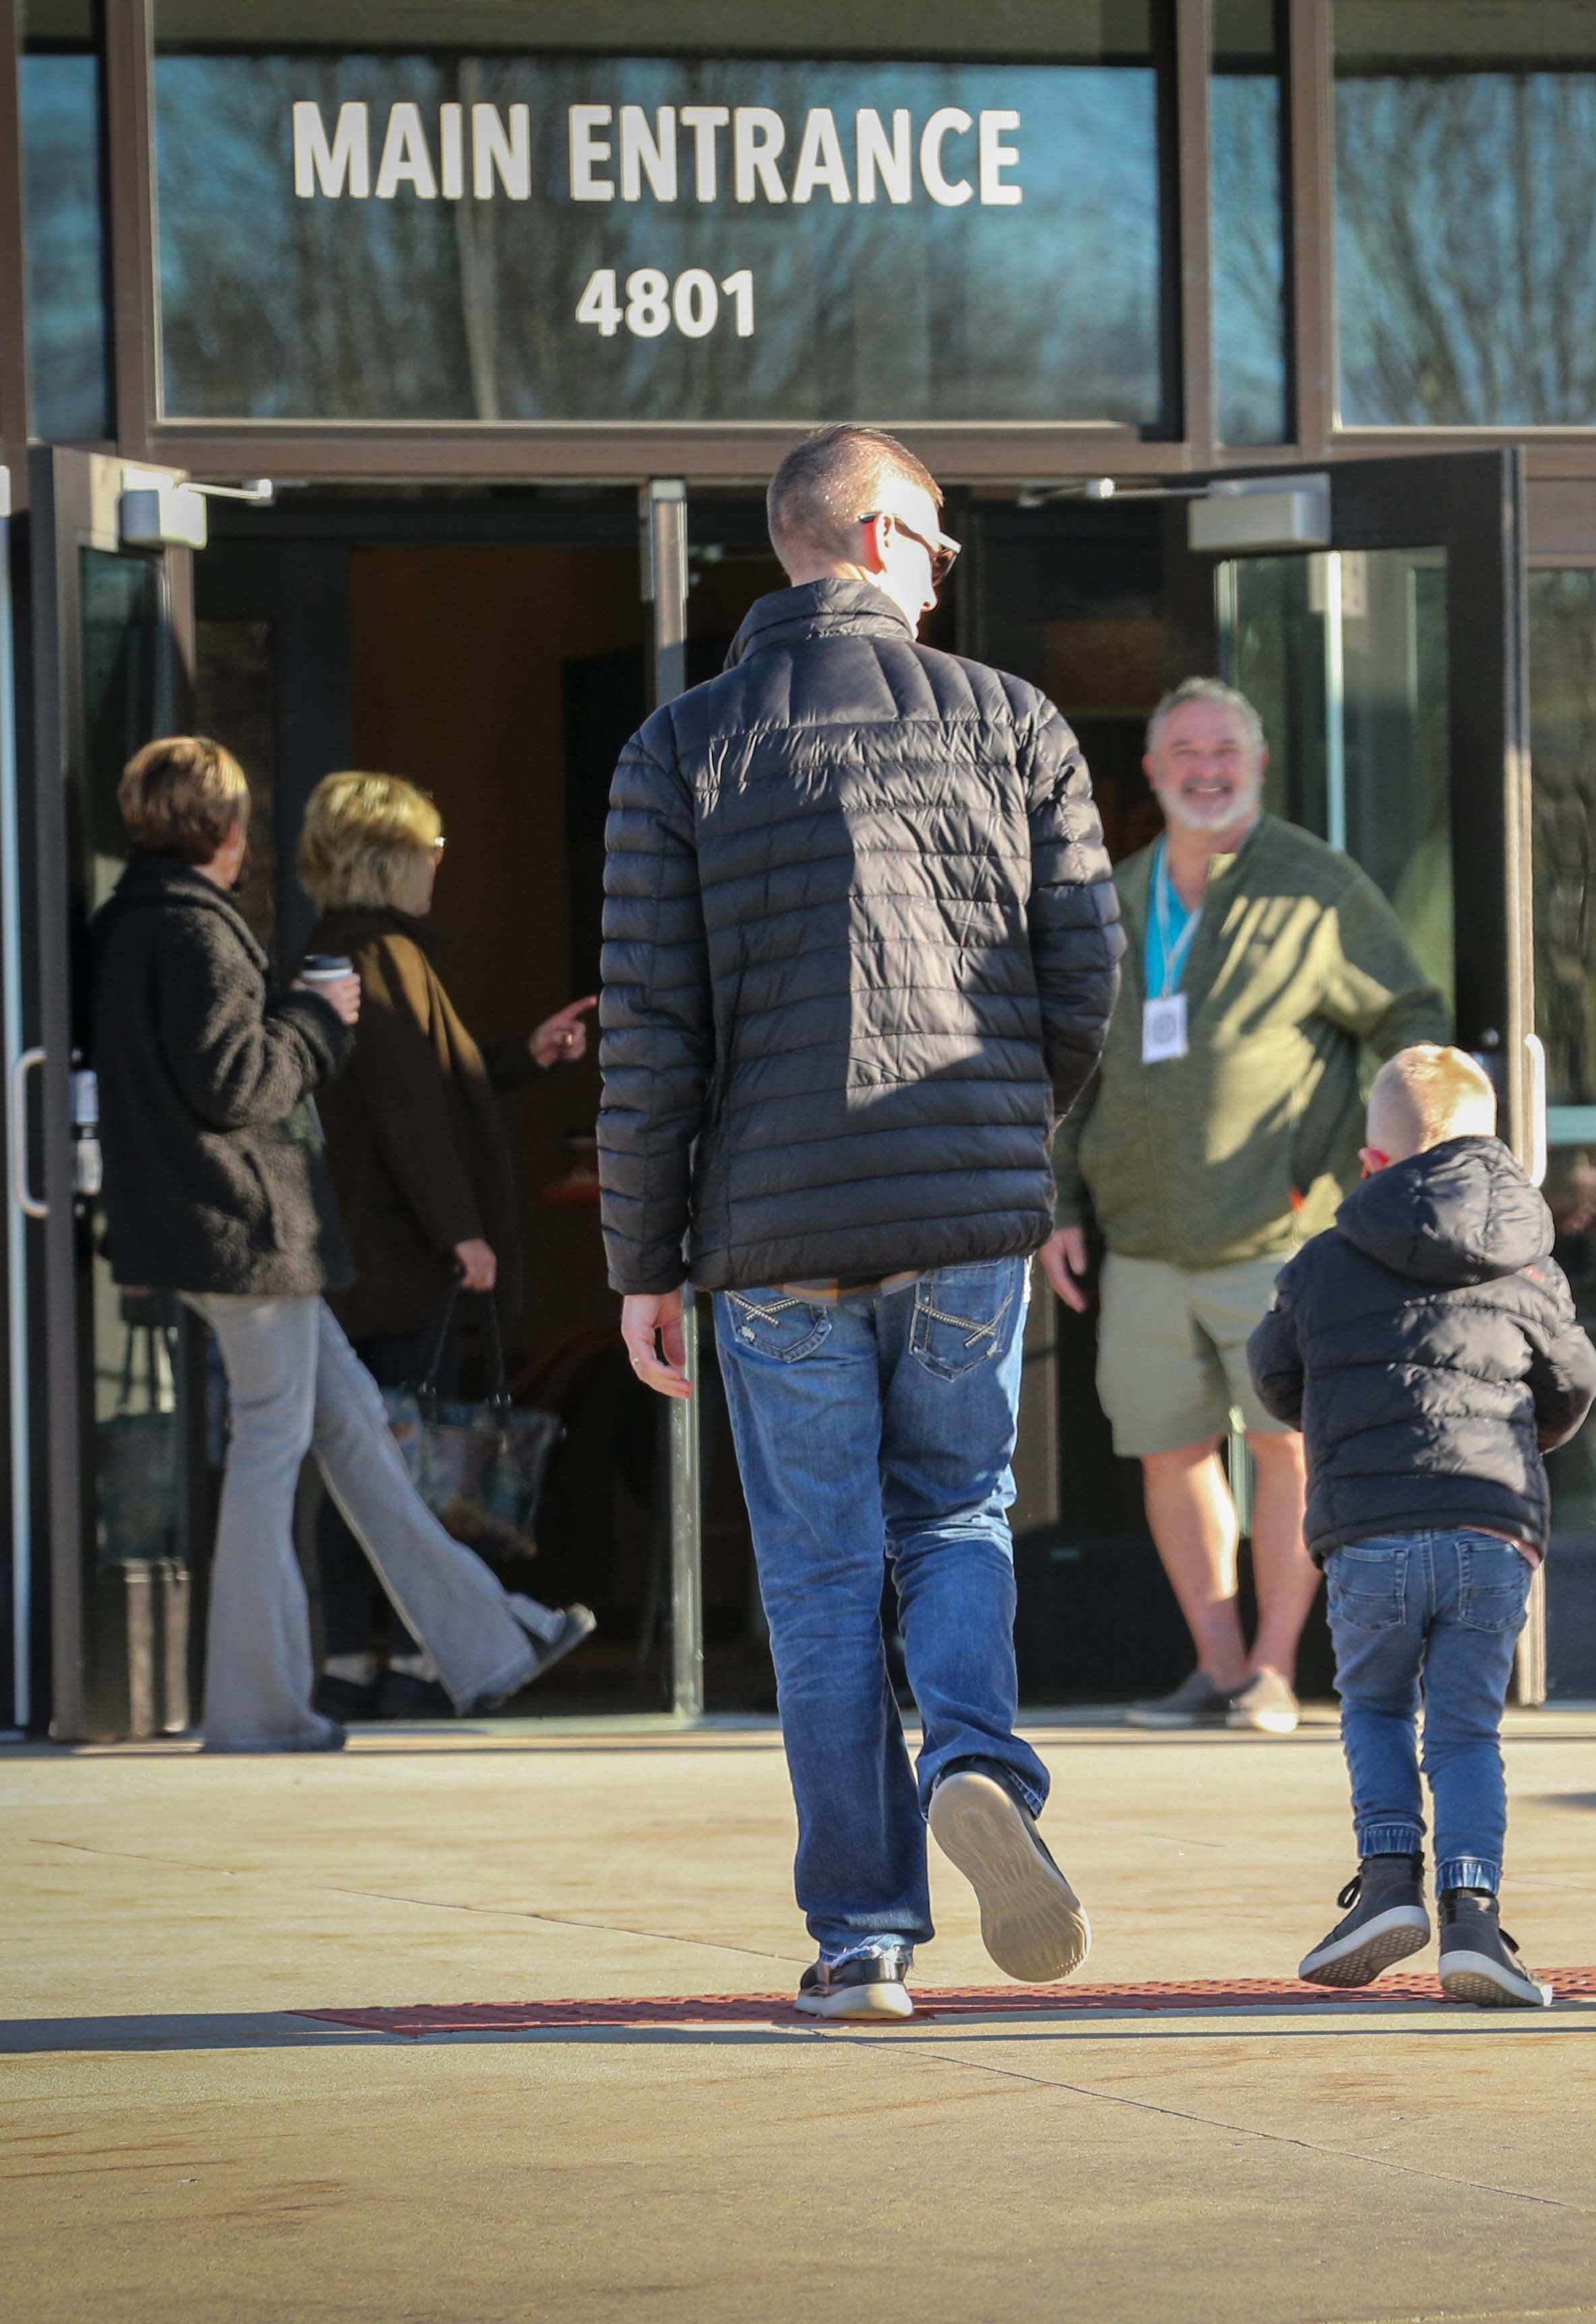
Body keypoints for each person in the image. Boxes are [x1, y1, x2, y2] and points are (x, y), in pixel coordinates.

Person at [597, 424, 1123, 2022]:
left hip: (766, 1231)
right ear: (882, 534)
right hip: (963, 1207)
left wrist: (639, 1257)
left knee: (820, 1578)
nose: (947, 573)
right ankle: (979, 1763)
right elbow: (1086, 971)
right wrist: (998, 1131)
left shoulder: (675, 749)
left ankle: (864, 1937)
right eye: (943, 546)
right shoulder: (1014, 720)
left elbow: (648, 1030)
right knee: (956, 1510)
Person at [86, 735, 593, 1754]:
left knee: (354, 1430)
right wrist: (316, 1022)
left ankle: (493, 1638)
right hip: (246, 1237)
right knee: (274, 1453)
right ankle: (257, 1707)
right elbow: (239, 1084)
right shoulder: (194, 931)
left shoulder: (130, 924)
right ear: (226, 831)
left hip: (233, 1239)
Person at [1045, 676, 1451, 1735]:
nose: (1207, 769)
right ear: (1151, 771)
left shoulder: (1316, 885)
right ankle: (1218, 1669)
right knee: (1170, 1451)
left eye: (1226, 749)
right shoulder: (1120, 892)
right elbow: (1076, 1061)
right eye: (1185, 751)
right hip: (1139, 1239)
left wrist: (1332, 1165)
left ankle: (1275, 1669)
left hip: (1280, 1235)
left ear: (1260, 763)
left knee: (1287, 1448)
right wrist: (1063, 1201)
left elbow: (1411, 1019)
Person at [1246, 1047, 1596, 2008]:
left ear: (1372, 1163)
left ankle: (1390, 1882)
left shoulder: (1321, 1261)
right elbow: (1574, 1380)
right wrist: (1521, 1446)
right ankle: (1474, 1919)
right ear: (1499, 1148)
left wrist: (1343, 1431)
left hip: (1369, 1530)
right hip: (1493, 1528)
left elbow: (1275, 1374)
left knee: (1372, 1709)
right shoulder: (1531, 1260)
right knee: (1465, 1731)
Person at [298, 769, 599, 1719]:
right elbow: (408, 1114)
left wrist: (526, 1055)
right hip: (397, 1263)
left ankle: (369, 1657)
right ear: (386, 859)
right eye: (426, 849)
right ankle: (412, 1661)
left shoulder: (355, 953)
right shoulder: (377, 956)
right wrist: (461, 1233)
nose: (438, 864)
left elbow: (436, 1085)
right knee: (397, 1461)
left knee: (380, 1456)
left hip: (378, 1258)